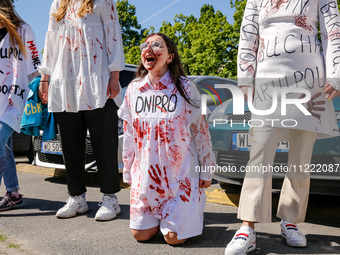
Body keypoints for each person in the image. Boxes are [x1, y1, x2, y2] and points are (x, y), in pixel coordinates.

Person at [225, 0, 340, 254]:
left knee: (301, 157)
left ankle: (290, 221)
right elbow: (248, 33)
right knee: (260, 151)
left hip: (310, 78)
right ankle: (247, 226)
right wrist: (245, 75)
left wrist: (337, 71)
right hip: (268, 78)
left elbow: (333, 30)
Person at [118, 33, 216, 245]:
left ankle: (191, 209)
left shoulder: (186, 87)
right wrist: (128, 170)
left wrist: (207, 168)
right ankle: (163, 217)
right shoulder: (134, 89)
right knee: (140, 235)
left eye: (156, 45)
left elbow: (200, 131)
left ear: (170, 57)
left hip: (180, 177)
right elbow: (129, 134)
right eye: (145, 45)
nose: (148, 49)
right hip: (146, 177)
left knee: (174, 238)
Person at [38, 0, 125, 221]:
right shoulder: (58, 3)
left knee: (104, 142)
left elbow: (114, 35)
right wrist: (45, 77)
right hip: (64, 79)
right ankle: (77, 197)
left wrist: (114, 75)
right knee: (70, 143)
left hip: (97, 79)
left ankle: (110, 199)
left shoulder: (103, 1)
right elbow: (50, 40)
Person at [0, 0, 40, 212]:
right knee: (4, 146)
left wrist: (41, 91)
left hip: (17, 98)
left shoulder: (23, 30)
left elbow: (34, 64)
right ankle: (13, 193)